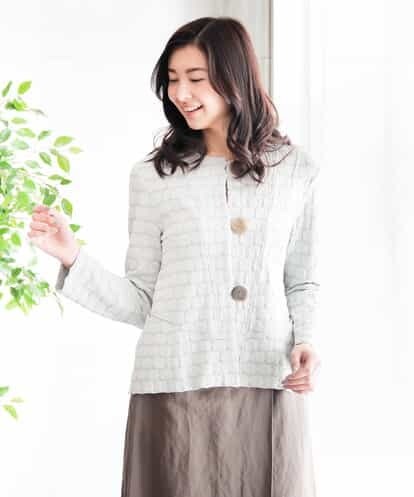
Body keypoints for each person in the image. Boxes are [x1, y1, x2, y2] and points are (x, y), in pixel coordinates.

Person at [28, 16, 322, 497]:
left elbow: (302, 278)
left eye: (196, 78)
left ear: (234, 77)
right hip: (175, 383)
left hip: (267, 379)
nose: (181, 93)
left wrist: (306, 339)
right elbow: (141, 300)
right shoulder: (154, 176)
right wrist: (72, 257)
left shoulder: (294, 170)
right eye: (172, 79)